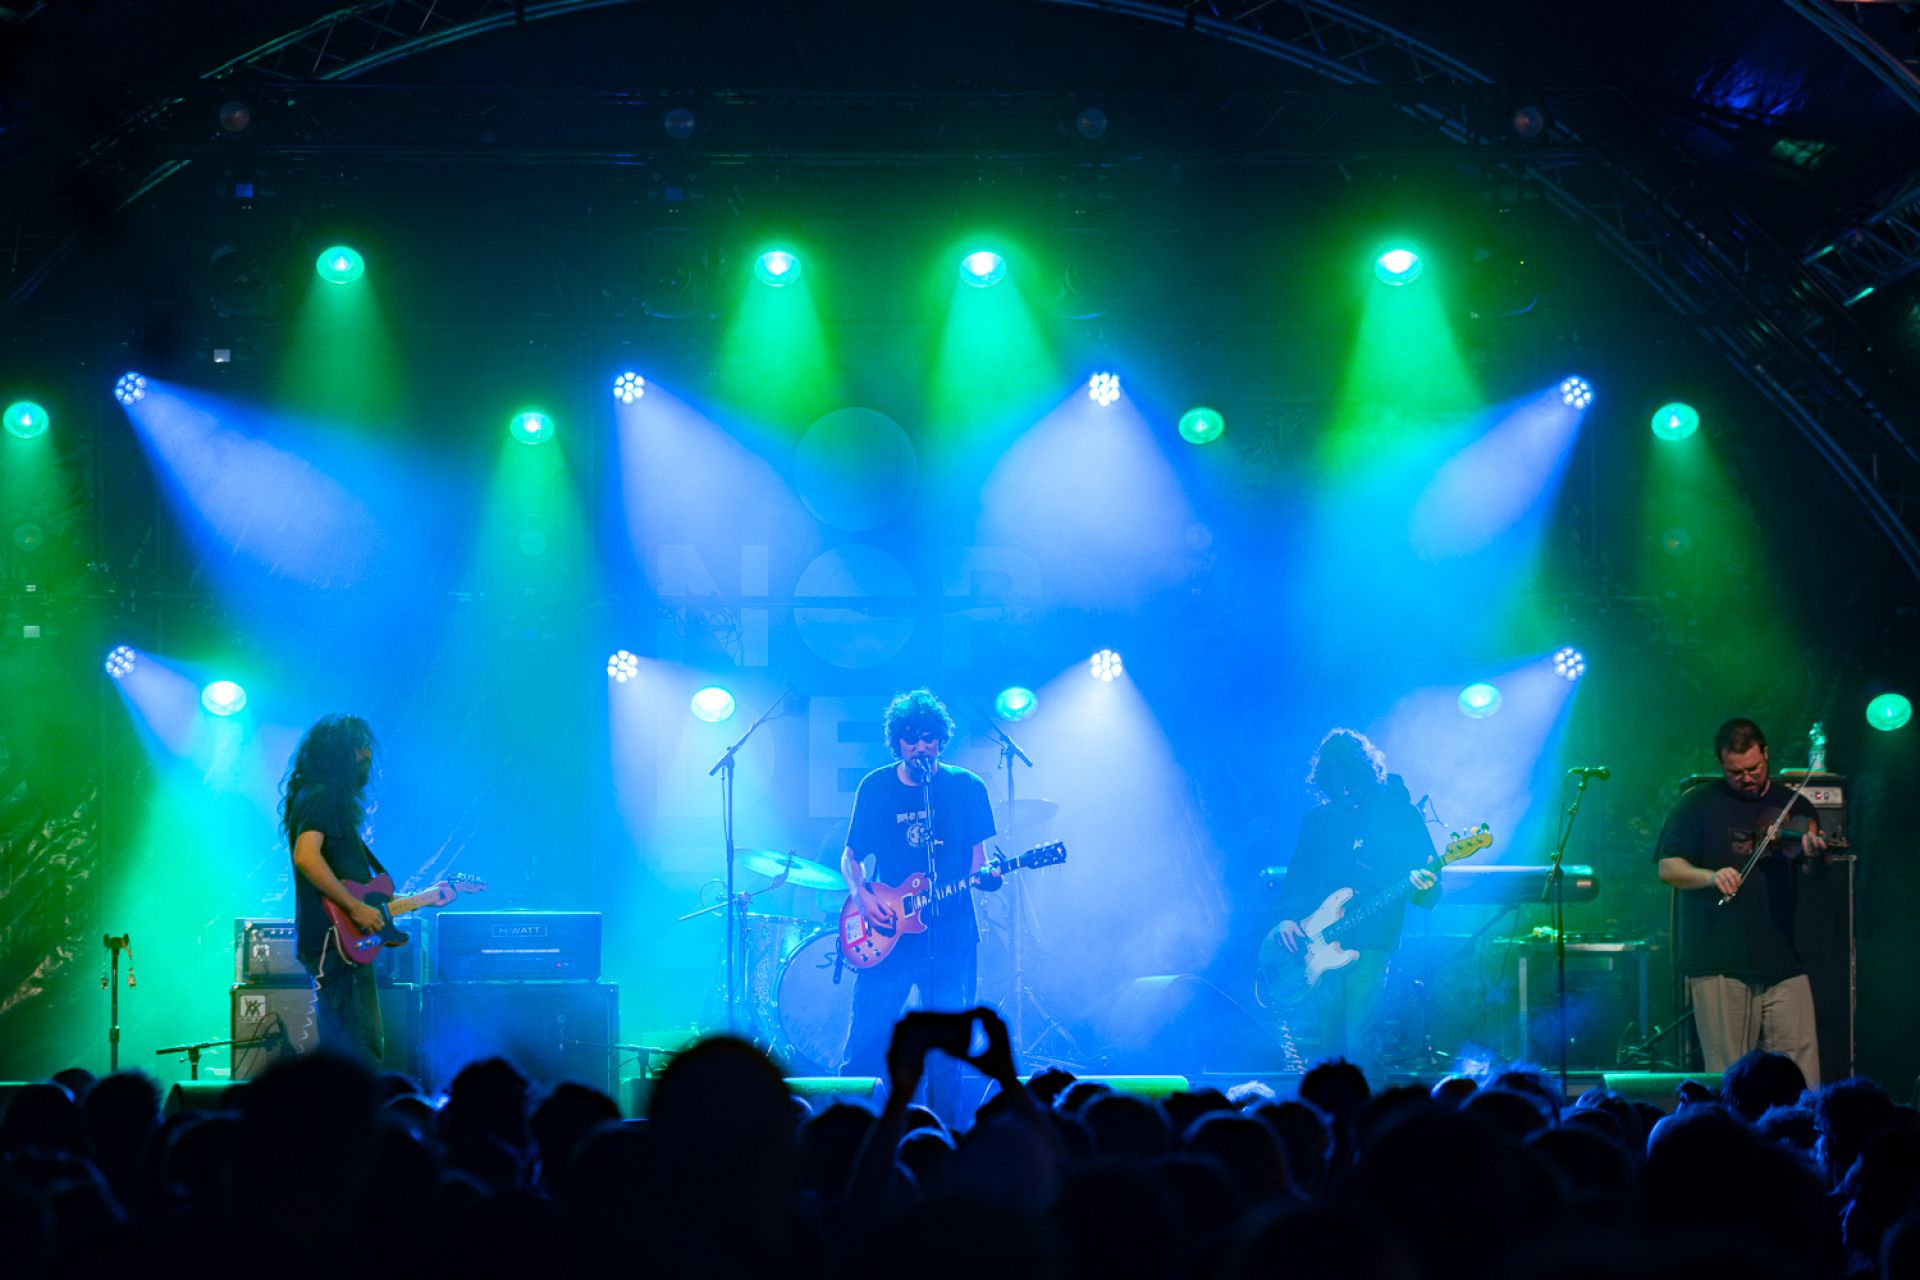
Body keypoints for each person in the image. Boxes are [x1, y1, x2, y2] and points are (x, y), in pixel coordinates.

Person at [838, 688, 999, 1116]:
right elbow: (851, 856)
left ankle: (940, 1137)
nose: (921, 746)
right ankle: (851, 1134)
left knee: (947, 1053)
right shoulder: (875, 787)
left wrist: (989, 876)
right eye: (911, 737)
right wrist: (861, 895)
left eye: (929, 737)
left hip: (951, 936)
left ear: (941, 740)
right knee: (866, 1044)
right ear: (897, 741)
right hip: (888, 932)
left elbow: (979, 861)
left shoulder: (967, 788)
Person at [1655, 717, 1827, 1084]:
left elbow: (1813, 873)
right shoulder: (1697, 804)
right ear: (1721, 763)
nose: (1747, 778)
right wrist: (1710, 876)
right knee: (1730, 1074)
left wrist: (1814, 855)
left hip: (1782, 959)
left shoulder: (1792, 805)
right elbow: (1668, 867)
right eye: (1736, 773)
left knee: (1801, 1072)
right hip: (1719, 959)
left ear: (1765, 753)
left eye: (1754, 768)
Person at [1269, 728, 1439, 1074]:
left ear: (1366, 773)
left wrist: (1424, 884)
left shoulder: (1401, 816)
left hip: (1373, 941)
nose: (1345, 792)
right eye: (1337, 786)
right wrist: (1287, 917)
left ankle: (1366, 1105)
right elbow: (1298, 876)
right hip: (1319, 941)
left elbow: (1428, 882)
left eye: (1351, 783)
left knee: (1360, 1040)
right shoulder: (1319, 819)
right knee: (1328, 1044)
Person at [281, 714, 393, 1062]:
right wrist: (355, 908)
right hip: (337, 941)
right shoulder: (322, 795)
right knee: (358, 1051)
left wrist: (423, 899)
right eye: (361, 747)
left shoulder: (318, 797)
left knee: (346, 1051)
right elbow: (306, 856)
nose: (368, 755)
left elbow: (353, 884)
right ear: (341, 752)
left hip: (339, 938)